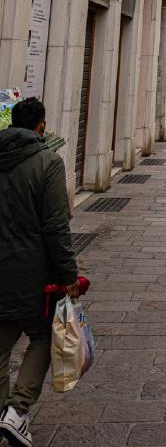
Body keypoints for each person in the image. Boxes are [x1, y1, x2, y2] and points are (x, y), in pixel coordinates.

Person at [0, 97, 80, 447]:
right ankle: (17, 411)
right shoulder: (48, 162)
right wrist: (69, 275)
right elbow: (56, 226)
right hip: (32, 272)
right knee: (45, 335)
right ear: (41, 127)